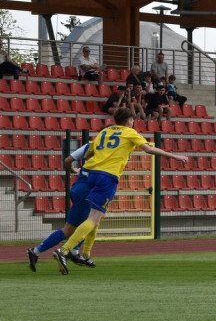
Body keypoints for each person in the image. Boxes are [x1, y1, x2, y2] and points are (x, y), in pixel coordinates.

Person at [52, 107, 187, 274]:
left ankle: (85, 253)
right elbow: (149, 149)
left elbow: (88, 154)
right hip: (107, 177)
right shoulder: (129, 132)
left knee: (96, 217)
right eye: (132, 120)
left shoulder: (104, 132)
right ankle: (64, 250)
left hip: (91, 175)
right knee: (93, 219)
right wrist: (174, 156)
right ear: (129, 120)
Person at [26, 143, 96, 271]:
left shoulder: (89, 145)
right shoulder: (111, 148)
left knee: (89, 222)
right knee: (70, 229)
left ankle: (74, 252)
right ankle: (36, 251)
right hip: (86, 191)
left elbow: (68, 160)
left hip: (80, 187)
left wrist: (74, 170)